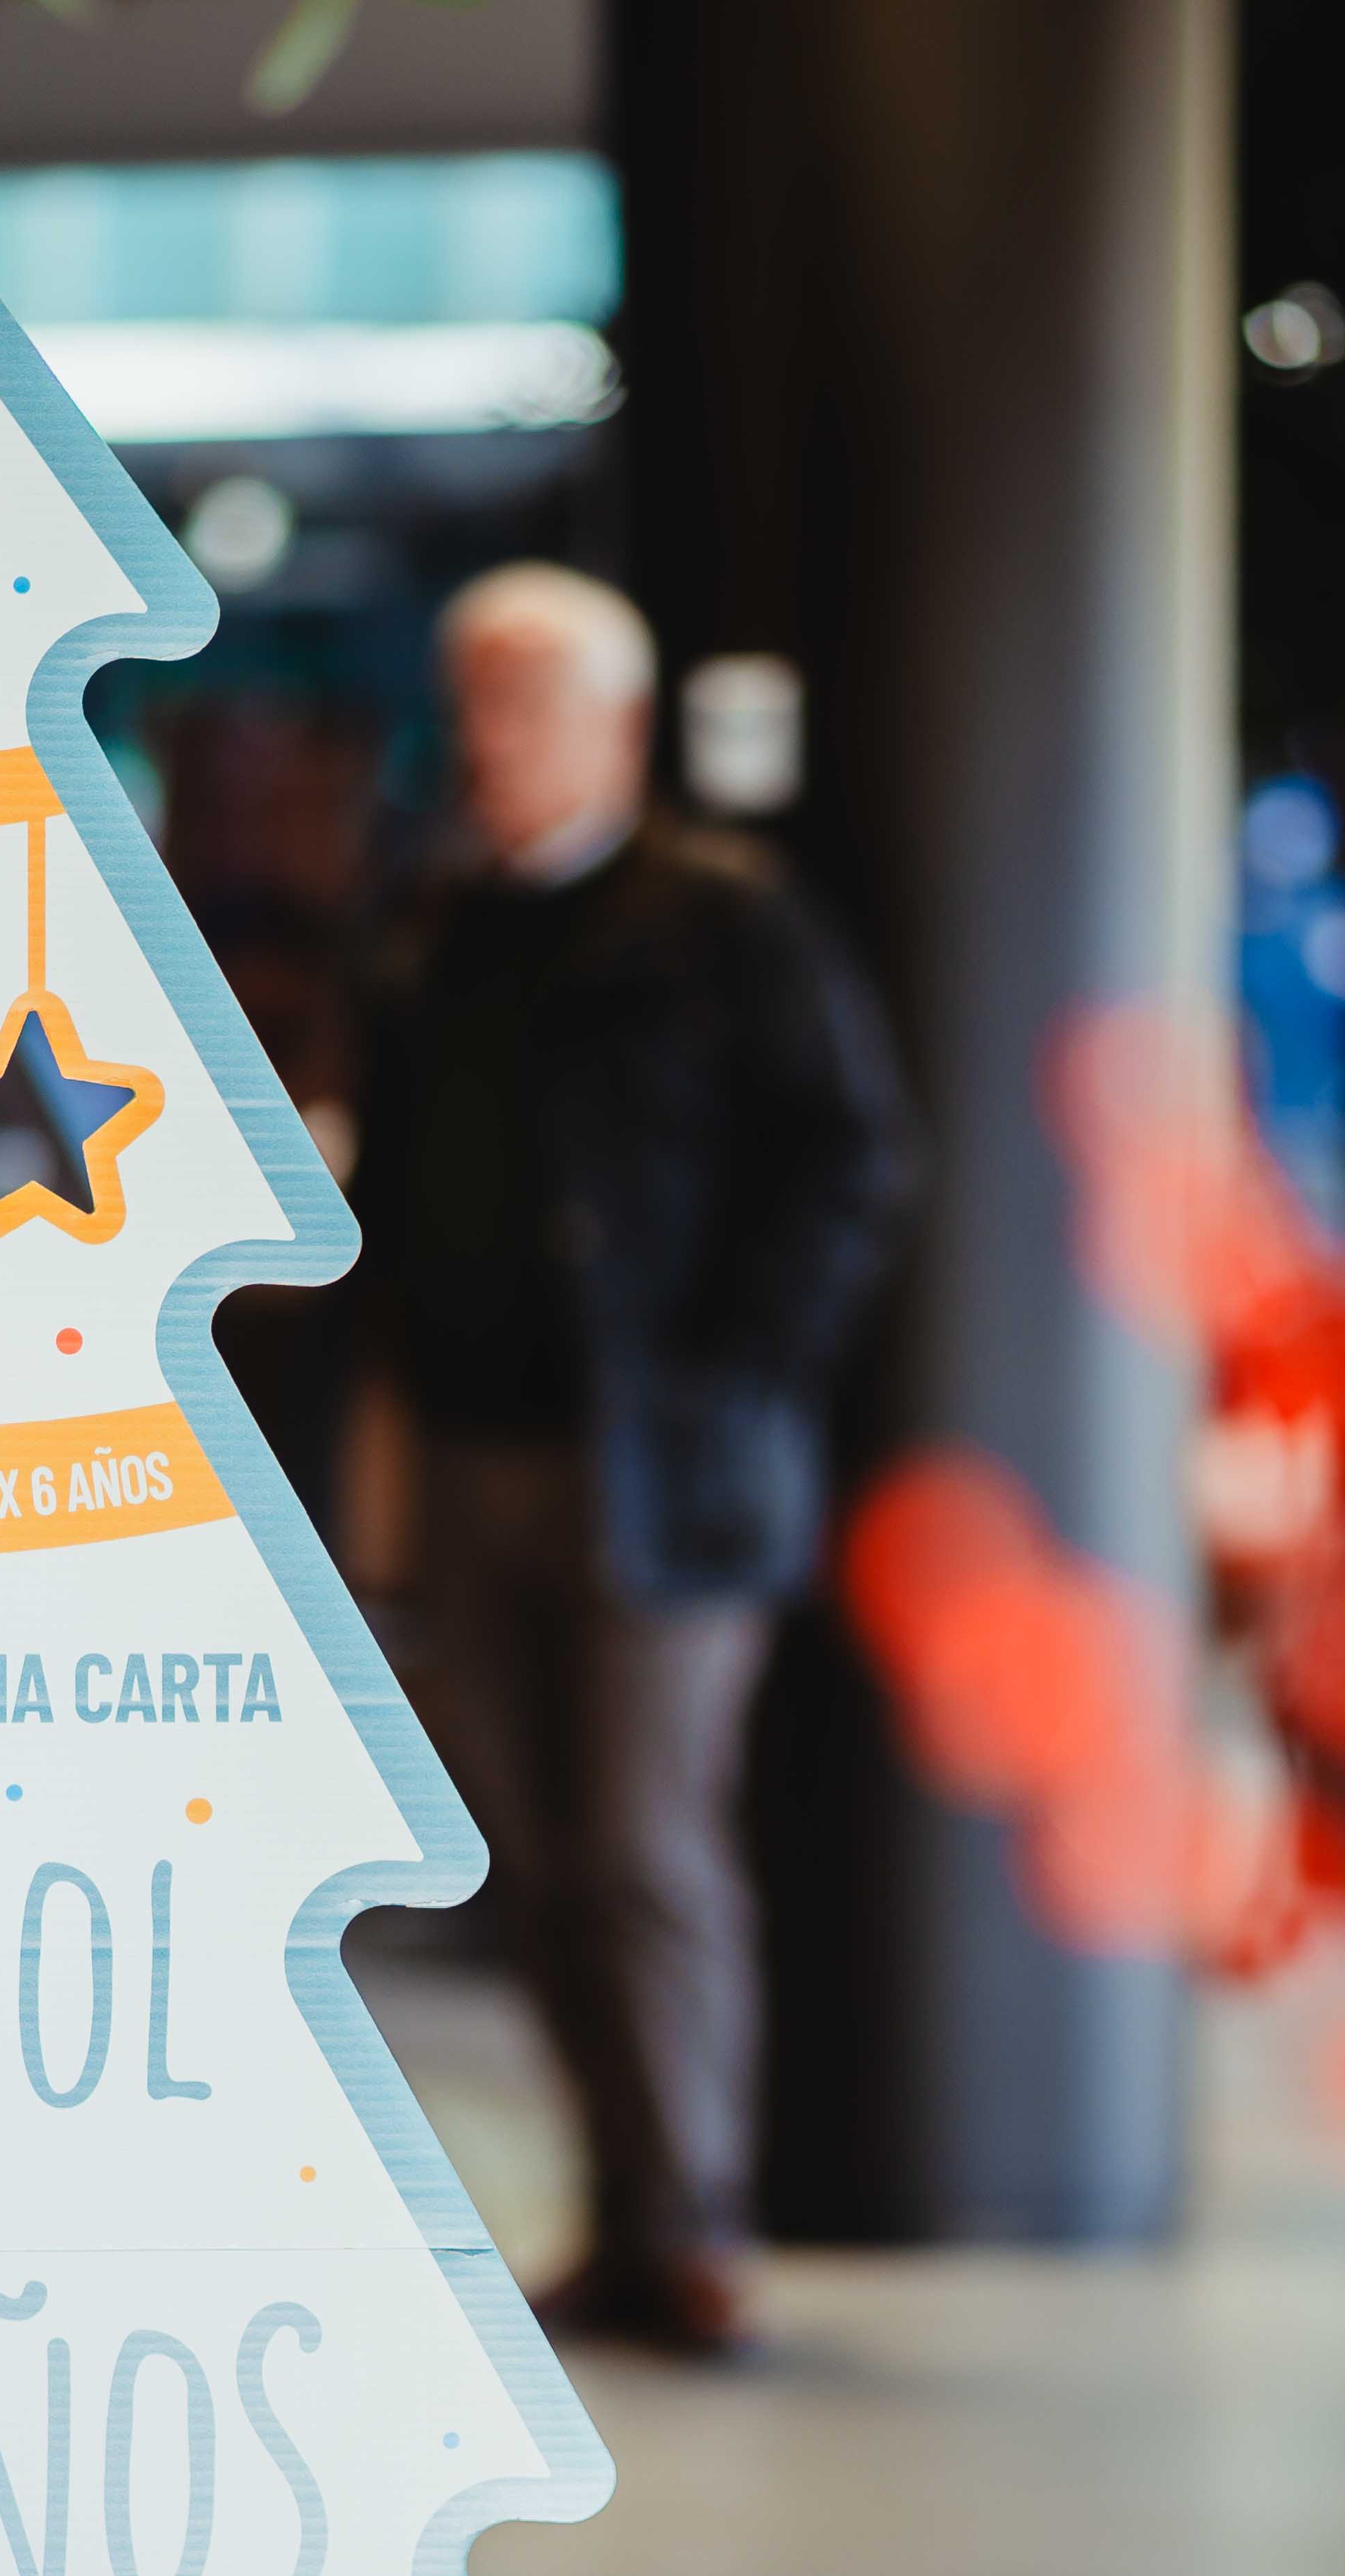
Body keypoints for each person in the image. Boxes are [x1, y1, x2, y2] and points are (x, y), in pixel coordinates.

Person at [345, 563, 917, 2355]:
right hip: (473, 1452)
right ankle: (617, 2202)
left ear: (616, 724)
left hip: (664, 1472)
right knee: (537, 1852)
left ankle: (696, 2222)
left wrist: (740, 1367)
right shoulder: (434, 923)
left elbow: (856, 1158)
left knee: (651, 1849)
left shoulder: (723, 921)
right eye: (471, 702)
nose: (487, 740)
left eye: (521, 703)